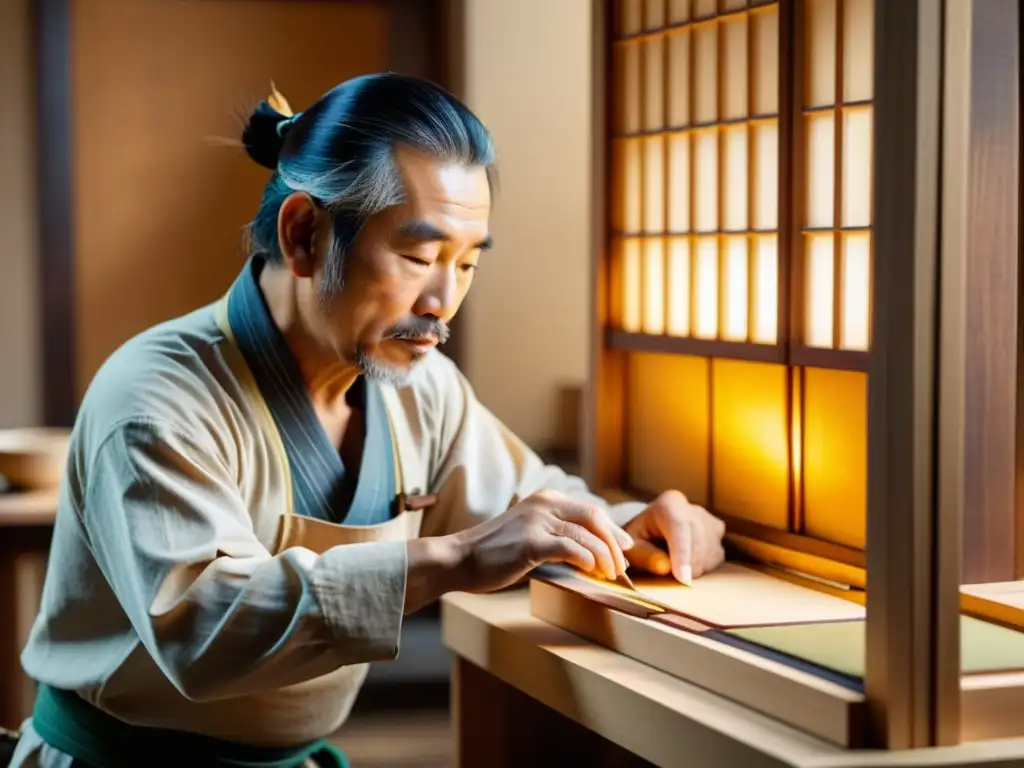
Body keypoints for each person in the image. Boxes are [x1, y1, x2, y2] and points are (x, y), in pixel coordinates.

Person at [9, 73, 726, 768]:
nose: (445, 298)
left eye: (467, 262)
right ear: (304, 235)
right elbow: (202, 626)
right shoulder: (157, 393)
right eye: (418, 255)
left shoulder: (423, 391)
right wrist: (459, 558)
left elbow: (525, 509)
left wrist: (629, 526)